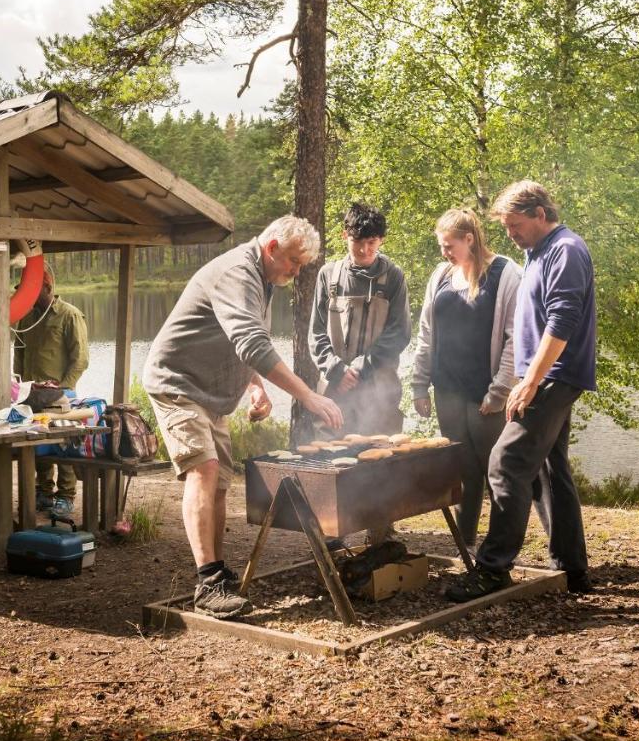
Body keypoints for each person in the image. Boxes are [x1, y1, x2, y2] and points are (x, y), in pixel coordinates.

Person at [143, 216, 344, 619]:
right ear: (271, 248)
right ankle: (207, 583)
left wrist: (255, 385)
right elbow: (252, 343)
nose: (296, 270)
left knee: (218, 483)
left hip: (209, 392)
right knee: (204, 469)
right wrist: (305, 395)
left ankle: (215, 571)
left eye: (301, 264)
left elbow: (242, 340)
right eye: (292, 260)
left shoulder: (261, 277)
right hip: (178, 383)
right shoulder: (238, 272)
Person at [447, 180, 596, 602]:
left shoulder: (566, 250)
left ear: (540, 214)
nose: (510, 233)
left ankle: (493, 569)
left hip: (552, 377)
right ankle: (572, 567)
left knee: (505, 462)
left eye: (516, 225)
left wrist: (530, 382)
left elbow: (563, 320)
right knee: (550, 469)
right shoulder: (537, 253)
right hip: (544, 376)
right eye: (507, 227)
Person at [410, 208, 523, 548]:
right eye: (441, 246)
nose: (444, 253)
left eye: (449, 245)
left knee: (496, 472)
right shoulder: (442, 274)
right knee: (462, 470)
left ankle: (500, 548)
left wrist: (500, 390)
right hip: (446, 390)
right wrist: (419, 383)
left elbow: (515, 337)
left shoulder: (505, 274)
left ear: (469, 239)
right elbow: (426, 332)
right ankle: (466, 543)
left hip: (484, 393)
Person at [309, 201, 410, 546]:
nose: (365, 249)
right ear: (345, 237)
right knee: (333, 457)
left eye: (372, 242)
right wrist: (336, 369)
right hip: (334, 389)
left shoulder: (393, 277)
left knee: (379, 457)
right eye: (358, 242)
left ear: (381, 241)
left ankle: (381, 535)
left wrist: (362, 366)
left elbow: (400, 333)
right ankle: (332, 534)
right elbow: (316, 333)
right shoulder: (328, 275)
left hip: (379, 387)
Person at [14, 263, 90, 519]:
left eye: (30, 289)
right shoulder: (25, 318)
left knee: (64, 445)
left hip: (60, 396)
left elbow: (80, 359)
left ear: (46, 287)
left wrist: (65, 387)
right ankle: (44, 492)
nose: (25, 294)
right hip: (31, 394)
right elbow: (19, 352)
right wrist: (19, 385)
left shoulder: (69, 315)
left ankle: (66, 496)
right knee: (38, 445)